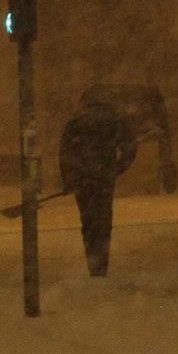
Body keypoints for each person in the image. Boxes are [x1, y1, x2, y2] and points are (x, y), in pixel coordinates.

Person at [58, 86, 138, 276]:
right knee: (103, 222)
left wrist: (69, 179)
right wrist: (116, 169)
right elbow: (130, 149)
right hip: (103, 181)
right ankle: (101, 265)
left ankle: (93, 262)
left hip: (82, 181)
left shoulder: (76, 124)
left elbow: (65, 154)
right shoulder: (114, 122)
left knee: (88, 222)